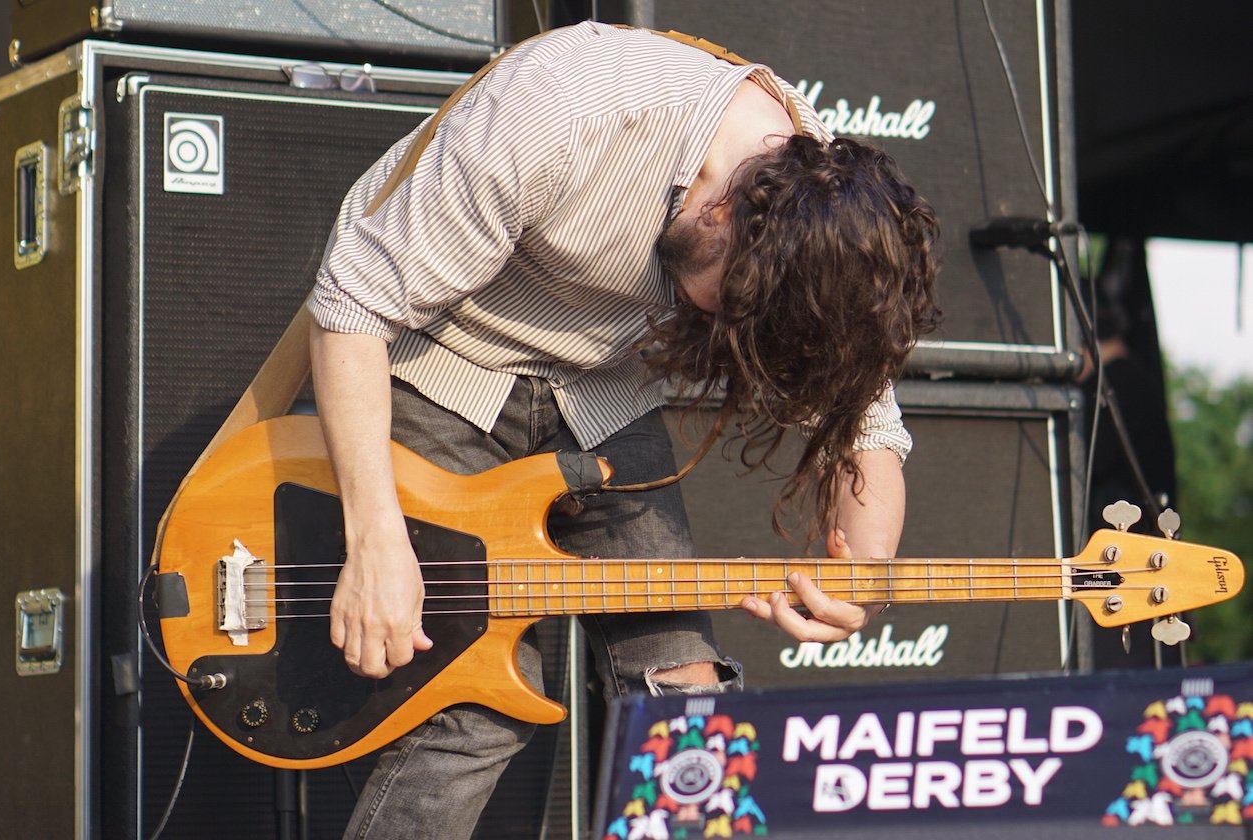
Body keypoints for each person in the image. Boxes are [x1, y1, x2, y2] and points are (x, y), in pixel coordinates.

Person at [307, 21, 939, 838]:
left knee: (690, 702)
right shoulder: (562, 111)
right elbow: (351, 306)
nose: (705, 323)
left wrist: (866, 569)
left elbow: (865, 413)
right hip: (434, 365)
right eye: (722, 306)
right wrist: (377, 544)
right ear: (720, 211)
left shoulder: (816, 210)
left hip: (601, 398)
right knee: (466, 715)